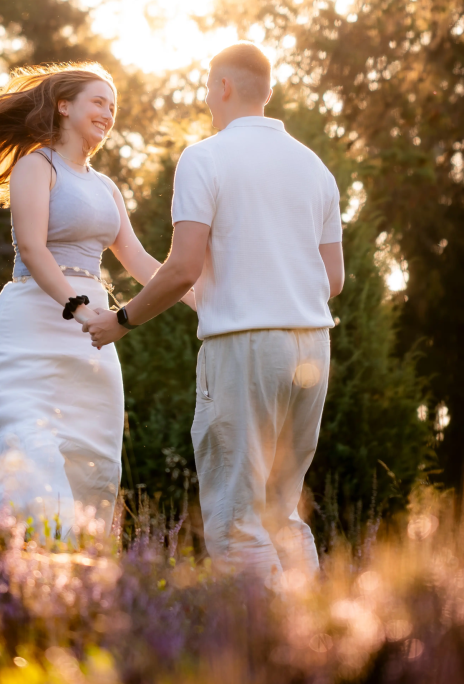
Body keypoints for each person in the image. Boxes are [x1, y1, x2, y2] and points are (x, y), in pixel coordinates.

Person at [84, 42, 344, 581]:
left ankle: (262, 654)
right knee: (282, 512)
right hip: (312, 348)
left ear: (223, 87)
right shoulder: (315, 168)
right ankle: (315, 643)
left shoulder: (204, 158)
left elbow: (183, 268)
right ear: (267, 91)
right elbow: (333, 280)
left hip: (243, 351)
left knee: (235, 520)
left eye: (208, 88)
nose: (207, 99)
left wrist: (122, 320)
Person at [0, 62, 195, 539]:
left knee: (91, 458)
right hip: (35, 321)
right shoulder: (37, 165)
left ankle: (72, 575)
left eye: (113, 106)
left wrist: (198, 299)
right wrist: (77, 307)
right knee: (26, 448)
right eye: (98, 101)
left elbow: (137, 258)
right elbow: (32, 248)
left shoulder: (106, 187)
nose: (108, 113)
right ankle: (10, 560)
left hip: (91, 338)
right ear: (64, 106)